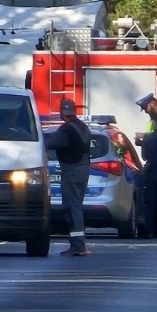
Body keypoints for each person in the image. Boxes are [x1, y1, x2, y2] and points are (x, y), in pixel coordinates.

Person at [44, 99, 92, 256]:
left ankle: (78, 245)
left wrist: (39, 140)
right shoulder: (83, 126)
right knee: (76, 205)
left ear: (61, 113)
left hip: (71, 170)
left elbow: (53, 143)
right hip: (84, 169)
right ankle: (78, 244)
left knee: (72, 208)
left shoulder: (66, 129)